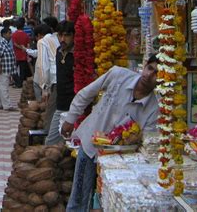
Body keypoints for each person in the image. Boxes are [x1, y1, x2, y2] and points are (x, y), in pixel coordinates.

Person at [61, 55, 159, 212]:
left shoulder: (153, 109)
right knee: (78, 199)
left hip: (117, 163)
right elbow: (87, 93)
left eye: (156, 74)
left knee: (106, 204)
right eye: (150, 68)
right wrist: (70, 118)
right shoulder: (118, 75)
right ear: (144, 66)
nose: (149, 75)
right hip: (90, 148)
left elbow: (146, 142)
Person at [45, 21, 75, 145]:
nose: (62, 39)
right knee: (50, 142)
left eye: (66, 35)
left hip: (75, 107)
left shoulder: (78, 54)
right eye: (60, 35)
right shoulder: (58, 51)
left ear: (73, 35)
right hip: (61, 104)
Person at [38, 16, 60, 130]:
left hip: (54, 79)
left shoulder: (43, 41)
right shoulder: (58, 38)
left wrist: (44, 88)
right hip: (63, 77)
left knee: (51, 111)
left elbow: (43, 65)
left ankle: (49, 139)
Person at [0, 28, 18, 111]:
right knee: (4, 87)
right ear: (3, 34)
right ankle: (7, 106)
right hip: (2, 69)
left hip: (6, 68)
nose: (10, 35)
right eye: (9, 33)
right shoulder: (1, 42)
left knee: (0, 86)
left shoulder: (5, 43)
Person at [26, 24, 52, 101]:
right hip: (50, 78)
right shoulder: (54, 39)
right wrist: (27, 50)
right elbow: (38, 53)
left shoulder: (42, 42)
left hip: (43, 79)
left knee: (42, 101)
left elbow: (43, 65)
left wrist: (44, 86)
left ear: (39, 35)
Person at [11, 18, 31, 88]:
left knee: (13, 69)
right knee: (22, 71)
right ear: (23, 27)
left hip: (16, 55)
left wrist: (20, 47)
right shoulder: (26, 35)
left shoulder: (14, 35)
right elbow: (28, 45)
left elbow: (14, 44)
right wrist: (25, 50)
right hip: (24, 54)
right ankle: (20, 83)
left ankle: (17, 82)